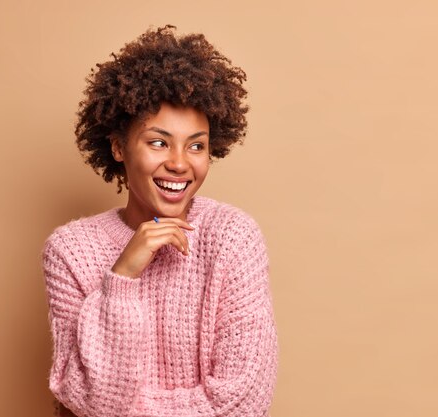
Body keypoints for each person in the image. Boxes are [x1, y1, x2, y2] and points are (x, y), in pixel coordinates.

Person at [41, 24, 279, 417]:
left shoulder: (233, 238)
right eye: (158, 142)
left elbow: (241, 403)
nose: (179, 163)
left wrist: (124, 412)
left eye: (196, 146)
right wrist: (121, 279)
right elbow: (91, 398)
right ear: (118, 147)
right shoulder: (70, 251)